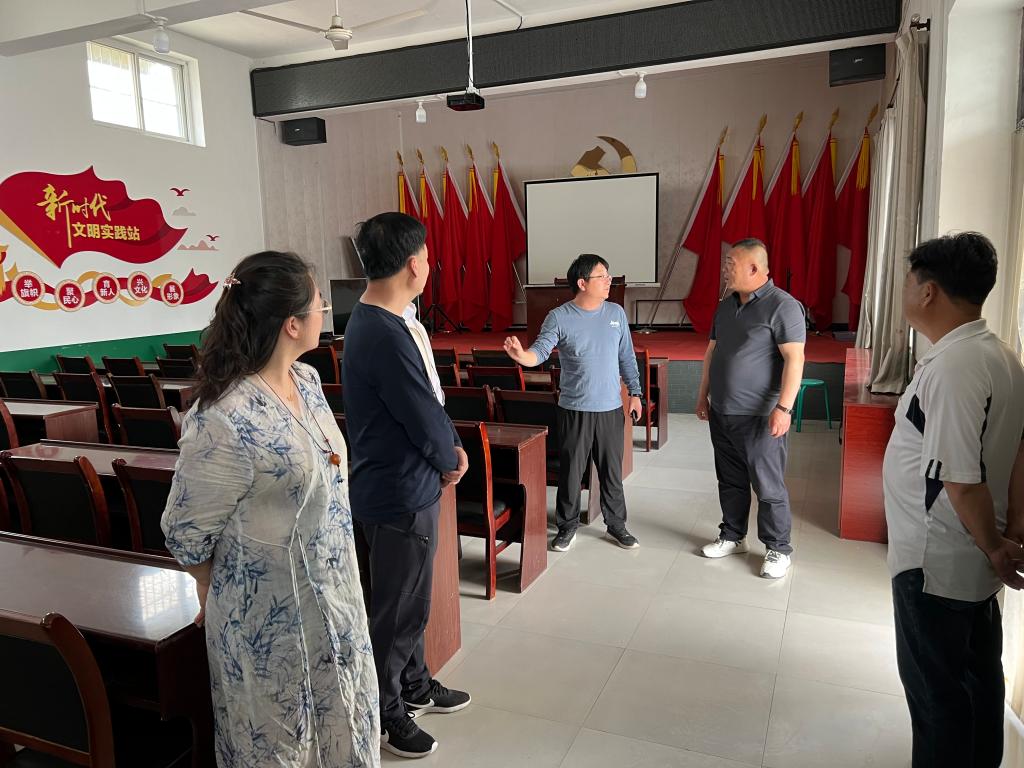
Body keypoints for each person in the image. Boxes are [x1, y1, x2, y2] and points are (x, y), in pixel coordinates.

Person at [160, 251, 379, 767]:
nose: (325, 311)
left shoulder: (307, 381)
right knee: (281, 744)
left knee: (347, 721)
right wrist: (209, 585)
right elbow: (185, 533)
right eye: (319, 303)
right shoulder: (223, 417)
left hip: (336, 598)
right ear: (291, 324)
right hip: (266, 621)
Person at [882, 232, 1024, 768]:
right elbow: (1019, 455)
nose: (904, 292)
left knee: (936, 698)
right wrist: (1009, 534)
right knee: (977, 681)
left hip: (936, 562)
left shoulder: (955, 367)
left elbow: (960, 480)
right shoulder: (1000, 356)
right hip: (971, 557)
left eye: (908, 282)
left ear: (929, 291)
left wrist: (994, 545)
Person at [342, 212, 471, 760]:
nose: (429, 264)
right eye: (427, 255)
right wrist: (450, 457)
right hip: (399, 490)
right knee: (397, 612)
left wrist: (447, 446)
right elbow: (419, 411)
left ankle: (415, 683)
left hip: (394, 481)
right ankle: (387, 711)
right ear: (413, 264)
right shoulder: (383, 332)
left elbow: (426, 399)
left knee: (408, 600)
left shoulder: (379, 319)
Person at [504, 253, 643, 552]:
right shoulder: (559, 317)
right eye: (602, 276)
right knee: (571, 472)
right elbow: (540, 351)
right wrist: (521, 356)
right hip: (575, 408)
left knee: (611, 471)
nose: (609, 281)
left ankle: (616, 524)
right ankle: (567, 526)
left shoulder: (616, 313)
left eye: (608, 275)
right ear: (582, 283)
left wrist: (636, 393)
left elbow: (627, 357)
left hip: (610, 408)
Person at [695, 238, 805, 579]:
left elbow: (795, 359)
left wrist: (784, 408)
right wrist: (703, 395)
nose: (725, 270)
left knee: (768, 486)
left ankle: (778, 549)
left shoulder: (783, 306)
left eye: (731, 264)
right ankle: (733, 535)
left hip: (759, 416)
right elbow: (712, 352)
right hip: (722, 411)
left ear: (754, 268)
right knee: (730, 480)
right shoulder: (725, 306)